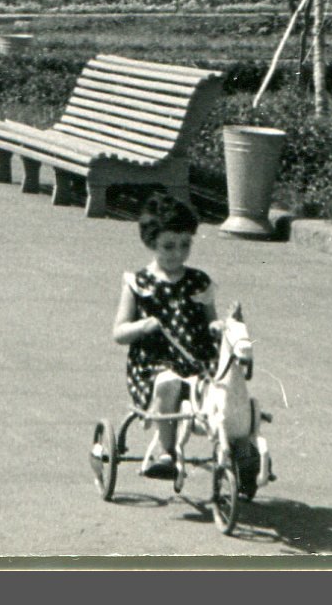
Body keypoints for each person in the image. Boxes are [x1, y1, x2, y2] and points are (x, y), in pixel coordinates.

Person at [112, 193, 220, 481]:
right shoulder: (140, 283)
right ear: (151, 244)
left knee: (229, 387)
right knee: (169, 382)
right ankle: (166, 451)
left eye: (185, 245)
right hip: (153, 364)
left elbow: (212, 324)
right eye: (168, 246)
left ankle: (237, 450)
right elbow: (119, 332)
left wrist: (222, 328)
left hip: (196, 361)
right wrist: (143, 326)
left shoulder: (198, 281)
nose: (177, 254)